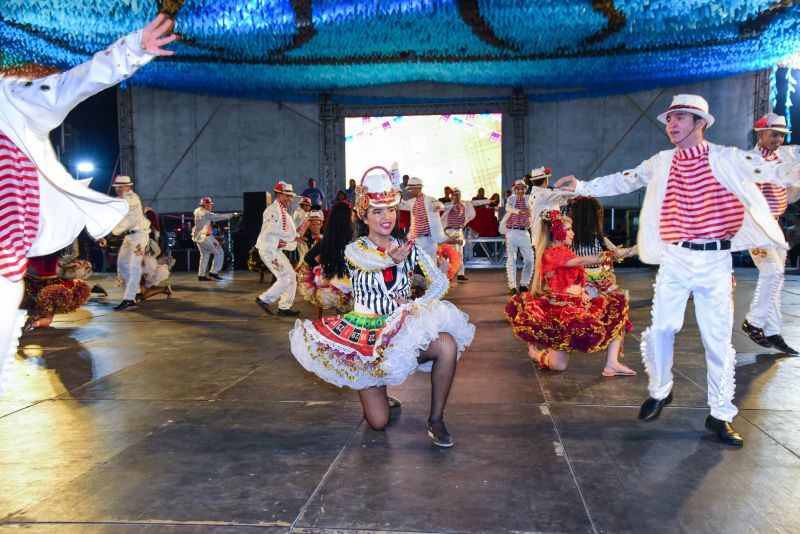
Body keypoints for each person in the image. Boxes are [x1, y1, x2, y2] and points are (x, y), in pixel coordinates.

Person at [555, 94, 799, 447]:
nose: (672, 123)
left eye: (680, 117)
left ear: (700, 123)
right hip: (676, 258)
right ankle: (660, 389)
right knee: (663, 327)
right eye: (670, 118)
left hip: (714, 261)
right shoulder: (662, 161)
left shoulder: (725, 157)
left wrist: (792, 166)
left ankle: (720, 413)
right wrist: (582, 187)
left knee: (716, 341)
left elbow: (772, 169)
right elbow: (627, 180)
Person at [0, 15, 176, 392]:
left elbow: (72, 85)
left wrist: (132, 51)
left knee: (130, 267)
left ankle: (130, 297)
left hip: (6, 247)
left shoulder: (13, 97)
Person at [289, 167, 475, 447]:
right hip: (365, 337)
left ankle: (436, 420)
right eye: (376, 211)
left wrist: (416, 303)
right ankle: (378, 389)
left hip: (401, 331)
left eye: (389, 209)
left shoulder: (408, 247)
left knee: (446, 345)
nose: (385, 217)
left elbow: (439, 283)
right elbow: (370, 263)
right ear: (364, 216)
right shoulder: (354, 250)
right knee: (379, 422)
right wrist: (391, 259)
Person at [506, 210, 636, 375]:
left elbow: (573, 277)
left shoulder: (567, 253)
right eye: (568, 229)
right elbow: (581, 261)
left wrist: (594, 284)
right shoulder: (550, 254)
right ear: (556, 232)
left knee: (618, 306)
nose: (573, 233)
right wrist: (610, 254)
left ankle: (612, 363)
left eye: (571, 229)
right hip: (561, 312)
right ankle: (535, 354)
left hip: (579, 305)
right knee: (559, 366)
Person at [742, 113, 800, 354]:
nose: (778, 139)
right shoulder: (749, 160)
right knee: (772, 270)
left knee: (777, 278)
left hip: (775, 224)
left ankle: (773, 331)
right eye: (774, 134)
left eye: (781, 135)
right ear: (761, 134)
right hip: (756, 224)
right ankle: (753, 322)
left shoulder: (785, 157)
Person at [100, 175, 151, 311]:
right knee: (122, 264)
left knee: (133, 265)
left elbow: (122, 205)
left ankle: (129, 298)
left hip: (139, 235)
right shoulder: (121, 200)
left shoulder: (132, 198)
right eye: (116, 187)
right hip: (129, 237)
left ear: (128, 187)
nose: (118, 189)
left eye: (121, 187)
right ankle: (136, 292)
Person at [254, 181, 303, 316]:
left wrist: (295, 238)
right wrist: (293, 237)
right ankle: (264, 299)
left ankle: (284, 308)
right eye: (286, 195)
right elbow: (272, 230)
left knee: (291, 276)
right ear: (278, 195)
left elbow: (287, 235)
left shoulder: (285, 214)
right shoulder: (272, 211)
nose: (290, 199)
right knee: (285, 277)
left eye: (291, 196)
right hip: (269, 250)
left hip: (276, 250)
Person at [297, 203, 354, 319]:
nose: (353, 217)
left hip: (329, 280)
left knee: (330, 304)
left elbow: (308, 258)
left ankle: (318, 325)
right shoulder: (353, 240)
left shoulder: (326, 239)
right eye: (351, 215)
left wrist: (320, 264)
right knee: (342, 313)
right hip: (345, 281)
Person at [440, 187, 490, 281]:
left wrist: (489, 201)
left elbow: (476, 203)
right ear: (452, 196)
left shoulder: (464, 204)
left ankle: (460, 274)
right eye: (455, 195)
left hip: (459, 231)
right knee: (451, 254)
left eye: (458, 194)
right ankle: (448, 275)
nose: (457, 196)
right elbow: (441, 207)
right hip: (450, 232)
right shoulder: (448, 205)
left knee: (460, 254)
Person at [399, 176, 447, 260]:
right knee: (416, 267)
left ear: (418, 188)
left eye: (411, 188)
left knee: (431, 268)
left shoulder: (429, 200)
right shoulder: (411, 202)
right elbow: (399, 206)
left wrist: (438, 206)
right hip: (415, 240)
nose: (409, 191)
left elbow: (440, 205)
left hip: (429, 240)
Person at [499, 179, 534, 294]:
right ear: (515, 190)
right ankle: (512, 285)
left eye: (522, 188)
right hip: (512, 232)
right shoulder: (511, 199)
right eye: (518, 188)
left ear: (525, 189)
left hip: (524, 232)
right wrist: (521, 212)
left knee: (529, 259)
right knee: (512, 259)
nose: (520, 191)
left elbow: (535, 207)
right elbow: (508, 208)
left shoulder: (529, 199)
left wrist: (531, 212)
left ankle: (524, 284)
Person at [527, 166, 577, 241]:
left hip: (538, 236)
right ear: (545, 181)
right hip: (546, 236)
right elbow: (561, 193)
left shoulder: (534, 195)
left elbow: (553, 201)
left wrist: (567, 201)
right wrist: (579, 193)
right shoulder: (544, 193)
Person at [192, 197, 236, 281]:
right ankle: (214, 272)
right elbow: (217, 217)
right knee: (219, 252)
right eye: (210, 204)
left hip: (198, 236)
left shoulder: (197, 211)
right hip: (205, 236)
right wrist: (231, 215)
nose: (211, 206)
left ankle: (201, 275)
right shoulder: (205, 213)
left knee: (204, 255)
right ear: (206, 205)